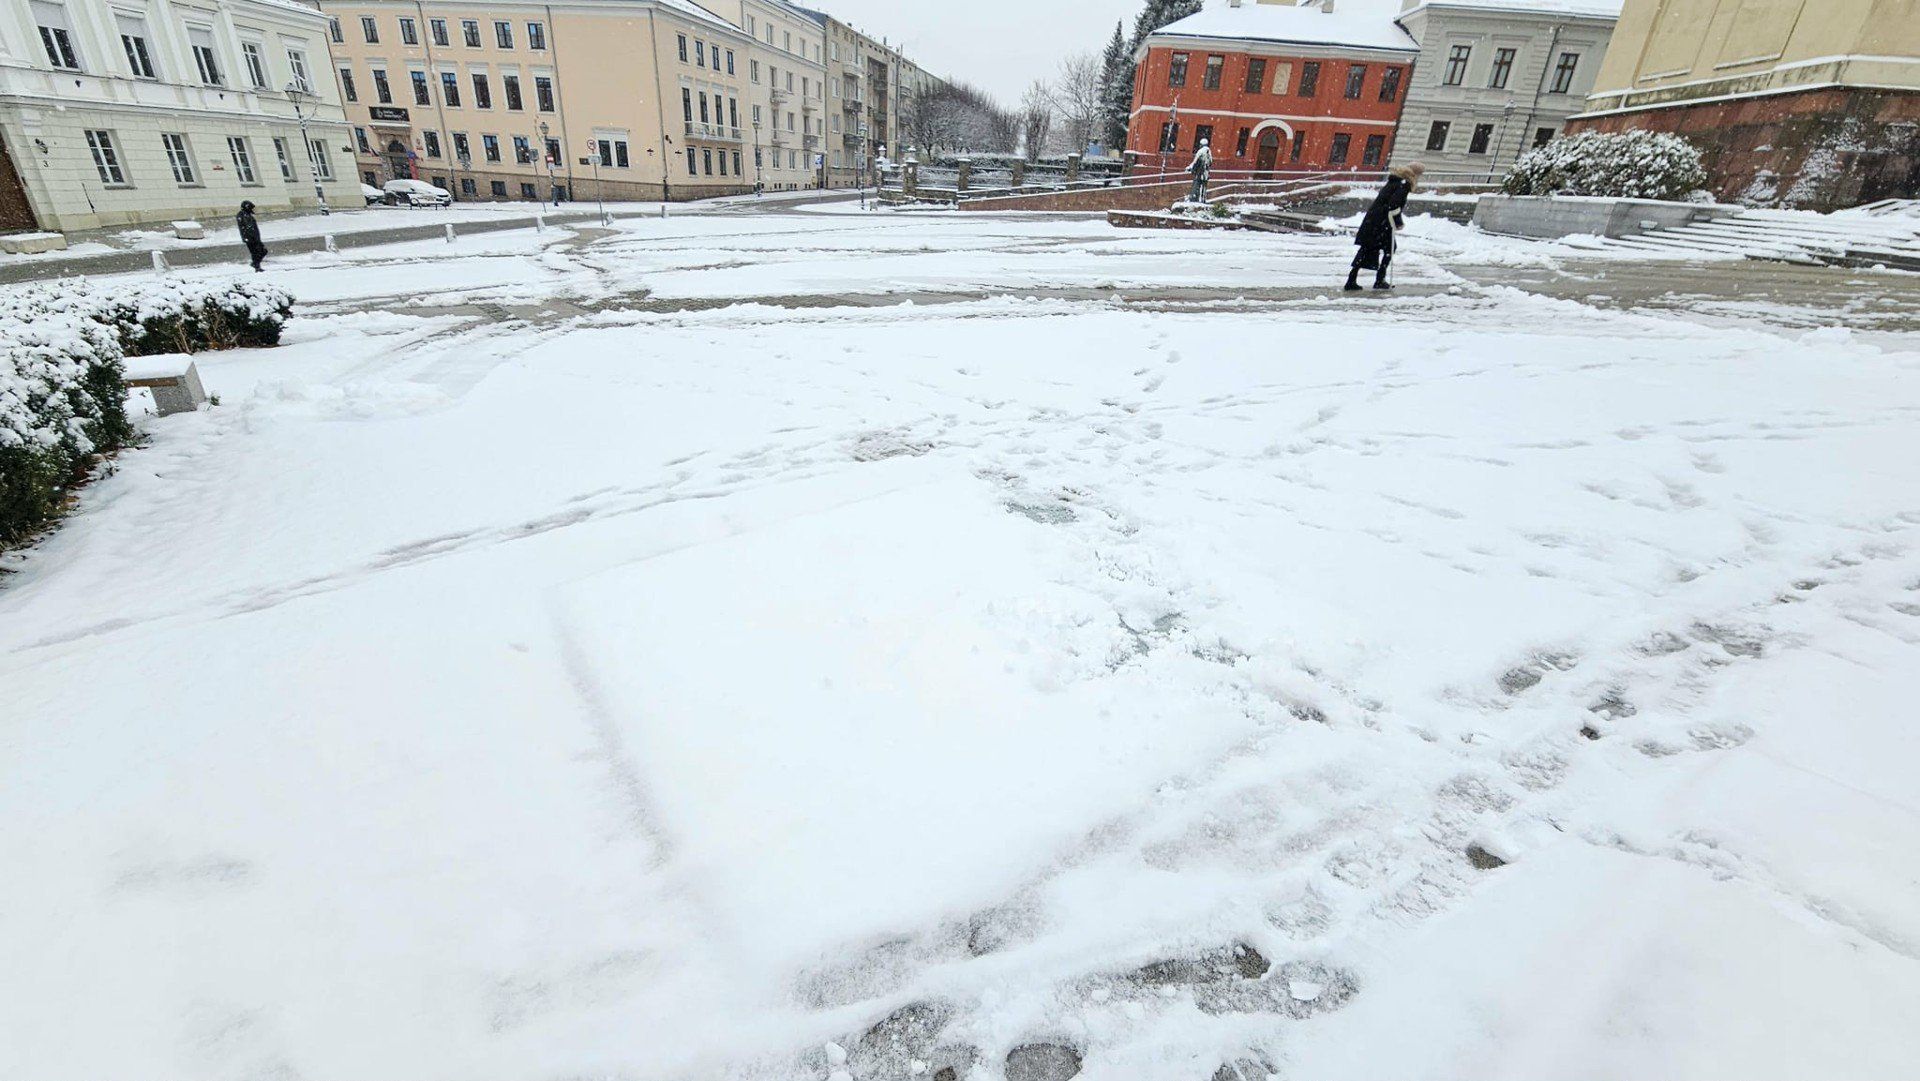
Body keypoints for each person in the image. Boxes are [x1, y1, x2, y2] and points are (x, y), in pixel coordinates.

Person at [1346, 162, 1424, 292]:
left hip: (1375, 220)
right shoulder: (1403, 184)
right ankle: (1378, 280)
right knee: (1388, 248)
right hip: (1382, 223)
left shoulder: (1396, 181)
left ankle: (1353, 279)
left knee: (1367, 249)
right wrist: (1398, 222)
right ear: (1414, 174)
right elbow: (1393, 205)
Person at [236, 200, 267, 272]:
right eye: (251, 208)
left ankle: (256, 265)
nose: (252, 210)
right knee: (259, 252)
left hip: (251, 238)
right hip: (251, 238)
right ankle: (256, 265)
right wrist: (255, 239)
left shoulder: (244, 214)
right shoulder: (244, 215)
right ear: (247, 207)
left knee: (257, 252)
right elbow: (249, 228)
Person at [1187, 139, 1212, 204]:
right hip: (1206, 173)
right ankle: (1202, 200)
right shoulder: (1209, 152)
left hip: (1199, 172)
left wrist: (1190, 168)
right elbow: (1211, 162)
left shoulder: (1200, 151)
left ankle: (1194, 199)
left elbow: (1195, 162)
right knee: (1203, 187)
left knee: (1196, 185)